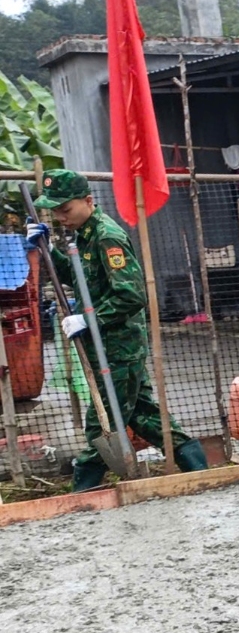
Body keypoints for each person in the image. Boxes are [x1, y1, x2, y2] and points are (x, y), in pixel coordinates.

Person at [26, 169, 208, 491]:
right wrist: (46, 250)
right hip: (106, 344)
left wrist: (88, 320)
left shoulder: (106, 236)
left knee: (102, 423)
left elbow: (131, 294)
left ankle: (83, 492)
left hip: (119, 347)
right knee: (143, 415)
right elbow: (76, 274)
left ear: (88, 201)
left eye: (65, 209)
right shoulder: (84, 234)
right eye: (55, 212)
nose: (60, 217)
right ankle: (198, 467)